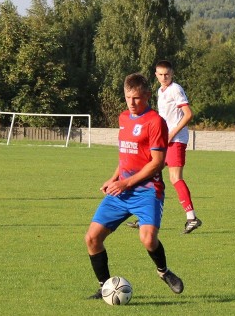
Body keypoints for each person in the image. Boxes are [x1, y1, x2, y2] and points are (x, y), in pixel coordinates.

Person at [85, 73, 184, 299]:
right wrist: (114, 178)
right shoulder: (123, 118)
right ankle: (104, 287)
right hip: (121, 189)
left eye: (137, 98)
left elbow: (158, 163)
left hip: (147, 191)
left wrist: (125, 182)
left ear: (148, 96)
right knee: (92, 238)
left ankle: (163, 272)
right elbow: (126, 156)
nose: (131, 102)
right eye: (128, 97)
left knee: (148, 239)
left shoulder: (155, 122)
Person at [127, 60, 201, 234]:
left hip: (175, 141)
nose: (163, 77)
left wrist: (172, 133)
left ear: (172, 73)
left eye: (166, 74)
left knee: (175, 178)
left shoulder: (175, 89)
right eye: (160, 74)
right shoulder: (161, 91)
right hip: (164, 140)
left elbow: (188, 114)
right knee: (148, 173)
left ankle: (192, 218)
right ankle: (146, 217)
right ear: (156, 75)